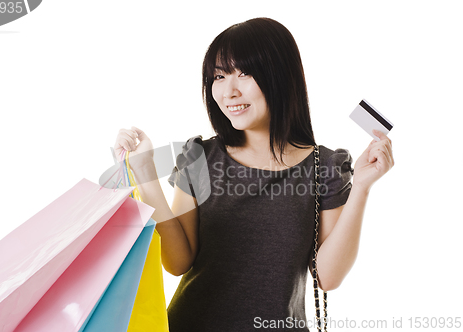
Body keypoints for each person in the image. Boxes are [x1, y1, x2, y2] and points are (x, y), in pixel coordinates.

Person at [114, 17, 394, 331]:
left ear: (280, 76)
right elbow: (177, 262)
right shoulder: (200, 157)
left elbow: (328, 277)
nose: (228, 90)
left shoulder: (325, 166)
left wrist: (362, 188)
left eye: (244, 72)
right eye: (219, 76)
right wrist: (145, 174)